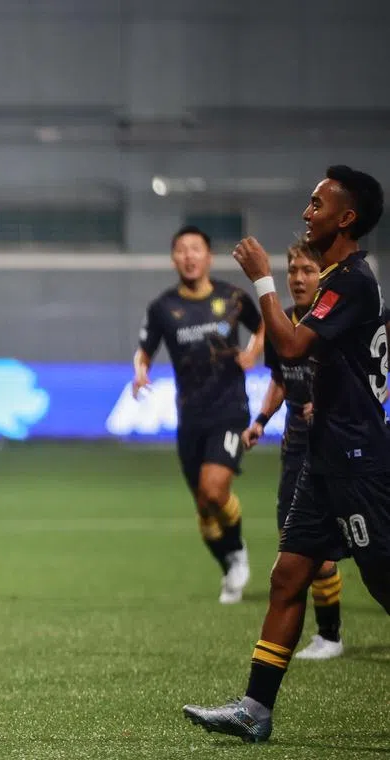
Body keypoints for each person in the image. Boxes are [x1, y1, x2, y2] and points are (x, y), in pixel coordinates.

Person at [185, 165, 390, 742]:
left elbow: (295, 340)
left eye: (317, 203)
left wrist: (263, 282)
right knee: (287, 575)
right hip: (325, 457)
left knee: (384, 582)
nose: (307, 211)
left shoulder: (352, 279)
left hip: (356, 461)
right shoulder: (333, 278)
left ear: (346, 218)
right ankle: (255, 709)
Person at [133, 225, 265, 603]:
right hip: (190, 416)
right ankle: (228, 565)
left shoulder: (234, 297)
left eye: (196, 249)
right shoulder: (163, 308)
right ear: (173, 258)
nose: (189, 256)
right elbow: (145, 349)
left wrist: (253, 352)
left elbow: (264, 329)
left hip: (230, 410)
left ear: (208, 256)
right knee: (204, 508)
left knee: (214, 489)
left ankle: (237, 552)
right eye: (181, 250)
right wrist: (140, 372)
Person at [242, 242, 343, 661]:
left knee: (323, 550)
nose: (299, 279)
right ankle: (328, 637)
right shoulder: (282, 322)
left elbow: (373, 372)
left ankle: (329, 636)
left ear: (324, 275)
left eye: (308, 270)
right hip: (296, 447)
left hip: (337, 447)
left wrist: (330, 404)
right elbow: (282, 379)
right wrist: (260, 421)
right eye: (292, 271)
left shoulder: (338, 320)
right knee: (297, 548)